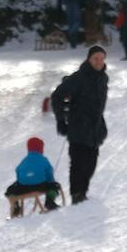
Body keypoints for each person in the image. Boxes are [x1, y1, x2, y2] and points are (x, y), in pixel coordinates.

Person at [51, 45, 109, 203]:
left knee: (91, 164)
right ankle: (77, 194)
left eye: (101, 58)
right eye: (95, 58)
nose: (99, 62)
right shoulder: (78, 78)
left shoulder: (103, 78)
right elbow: (57, 96)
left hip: (95, 128)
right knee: (78, 163)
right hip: (78, 127)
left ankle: (83, 191)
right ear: (89, 59)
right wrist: (61, 119)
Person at [5, 136, 60, 211]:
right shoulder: (43, 159)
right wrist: (51, 182)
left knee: (10, 190)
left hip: (23, 187)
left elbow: (18, 171)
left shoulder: (24, 160)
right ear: (41, 148)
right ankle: (49, 201)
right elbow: (49, 173)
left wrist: (22, 181)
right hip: (40, 185)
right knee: (54, 186)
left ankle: (15, 206)